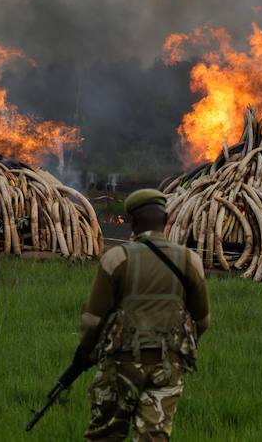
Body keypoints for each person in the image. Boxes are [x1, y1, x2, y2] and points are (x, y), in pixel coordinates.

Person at [78, 188, 210, 441]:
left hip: (120, 363)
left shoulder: (116, 258)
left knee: (105, 434)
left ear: (132, 222)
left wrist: (86, 351)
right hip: (167, 364)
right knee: (154, 437)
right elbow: (202, 320)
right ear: (167, 219)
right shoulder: (190, 261)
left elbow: (92, 321)